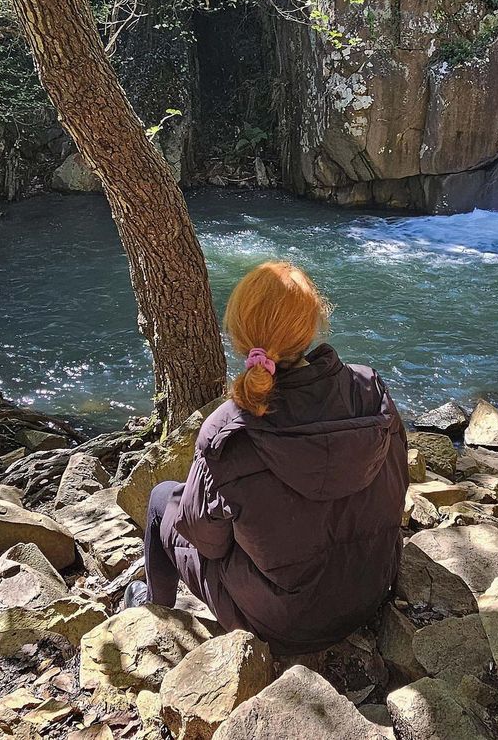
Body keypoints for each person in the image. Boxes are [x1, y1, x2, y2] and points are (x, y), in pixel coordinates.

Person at [124, 260, 408, 654]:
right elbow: (397, 485)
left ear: (240, 337)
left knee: (160, 501)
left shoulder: (229, 431)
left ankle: (152, 614)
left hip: (286, 625)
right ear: (310, 327)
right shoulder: (370, 389)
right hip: (370, 591)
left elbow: (205, 540)